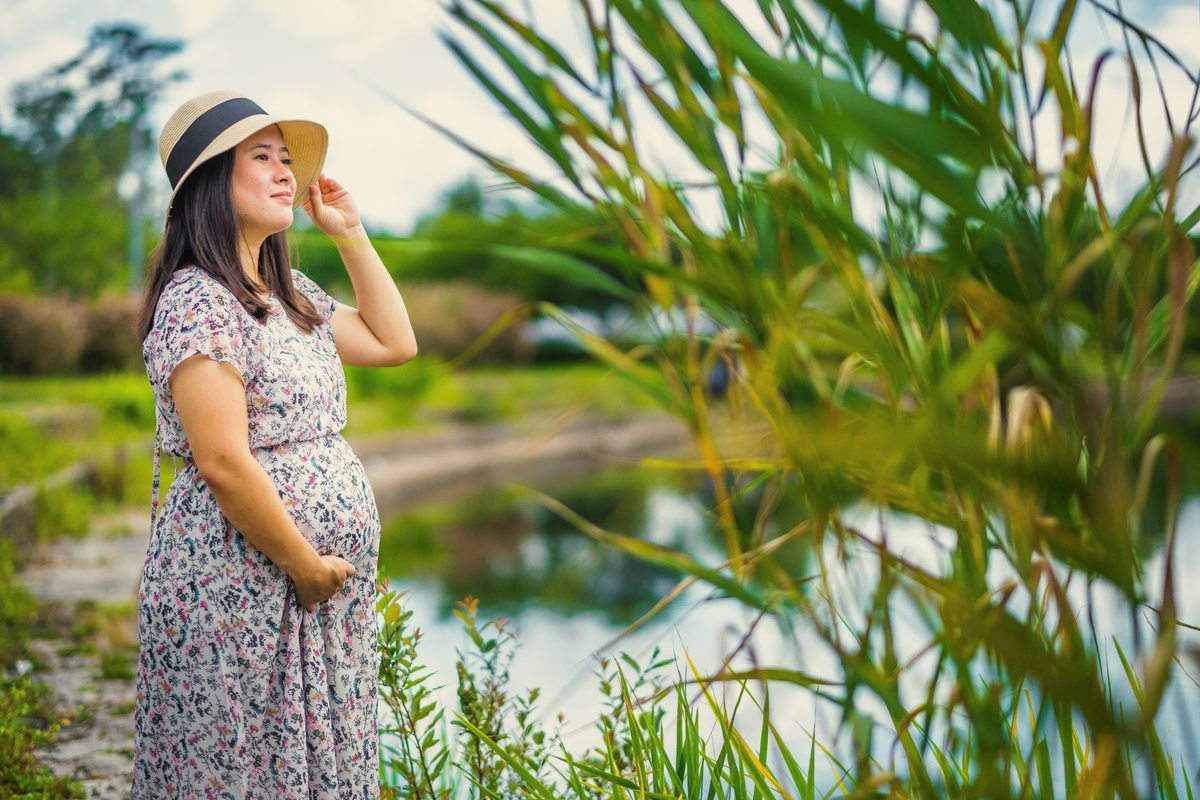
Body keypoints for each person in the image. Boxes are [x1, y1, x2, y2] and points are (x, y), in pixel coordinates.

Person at [132, 90, 417, 799]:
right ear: (212, 185)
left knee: (314, 763)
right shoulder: (198, 300)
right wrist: (306, 567)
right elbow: (223, 461)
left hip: (308, 592)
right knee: (243, 769)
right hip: (243, 586)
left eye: (288, 159)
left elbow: (395, 342)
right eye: (262, 158)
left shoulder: (294, 296)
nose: (285, 172)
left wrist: (351, 233)